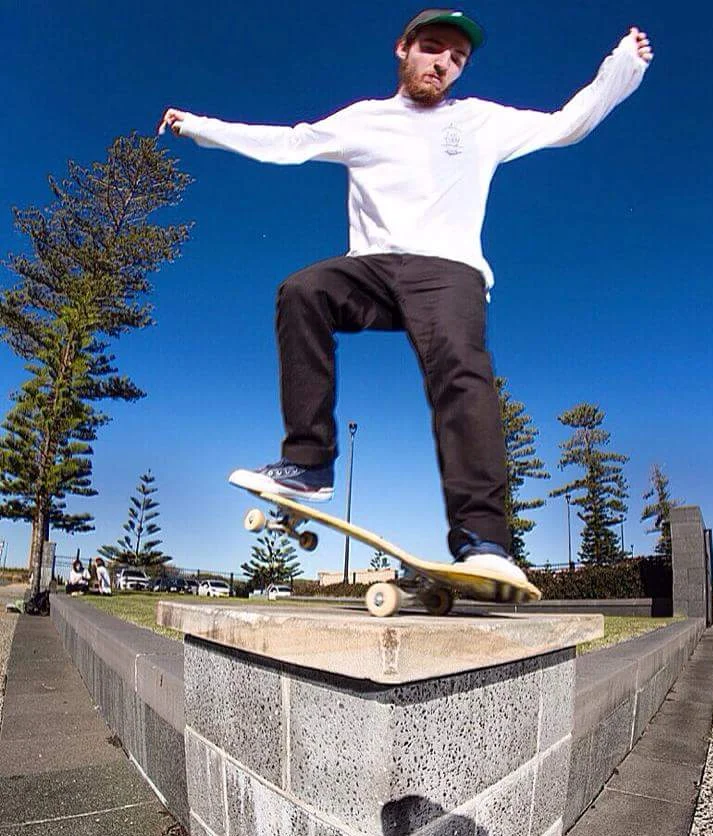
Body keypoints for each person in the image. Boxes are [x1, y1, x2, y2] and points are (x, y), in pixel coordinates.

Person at [159, 10, 653, 582]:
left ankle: (485, 539)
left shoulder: (482, 121)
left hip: (448, 270)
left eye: (456, 59)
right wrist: (198, 126)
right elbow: (288, 144)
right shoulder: (364, 119)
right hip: (370, 270)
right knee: (302, 291)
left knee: (461, 373)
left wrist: (621, 69)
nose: (442, 64)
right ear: (404, 49)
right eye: (433, 49)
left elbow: (568, 123)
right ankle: (308, 463)